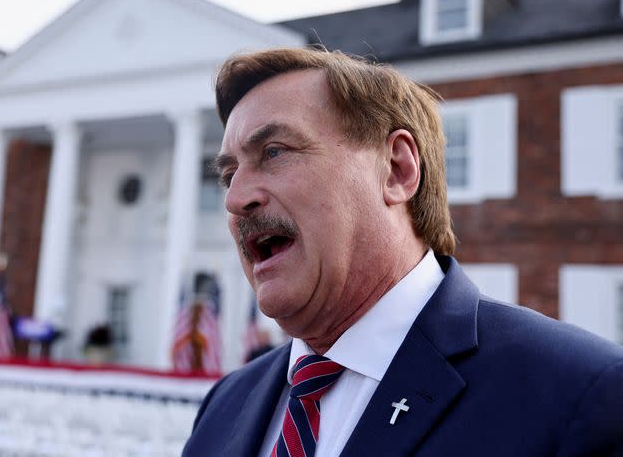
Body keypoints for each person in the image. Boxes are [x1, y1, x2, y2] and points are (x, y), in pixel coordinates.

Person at [182, 47, 623, 456]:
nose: (235, 199)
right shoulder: (225, 404)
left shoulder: (581, 392)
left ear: (397, 169)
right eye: (228, 175)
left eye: (274, 152)